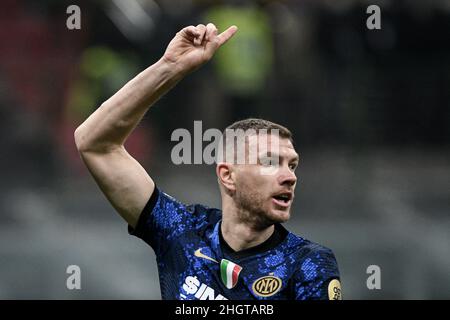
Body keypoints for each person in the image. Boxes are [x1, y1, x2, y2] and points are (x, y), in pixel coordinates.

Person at [74, 23, 341, 300]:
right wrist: (169, 68)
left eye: (292, 164)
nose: (290, 176)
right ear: (227, 175)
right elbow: (94, 143)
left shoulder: (308, 264)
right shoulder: (182, 232)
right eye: (271, 162)